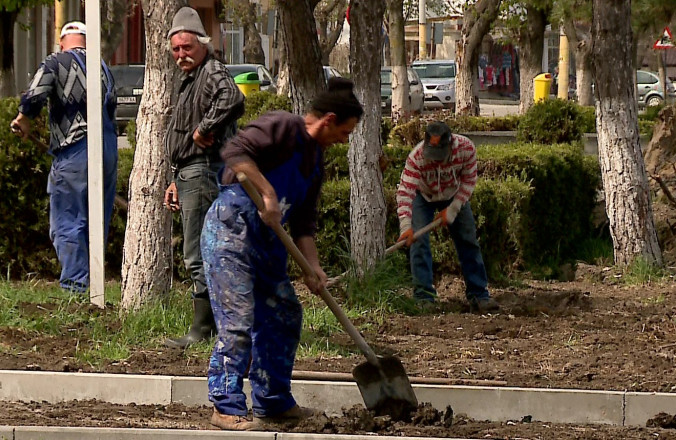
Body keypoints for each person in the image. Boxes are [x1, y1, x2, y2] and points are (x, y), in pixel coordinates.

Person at [201, 77, 363, 431]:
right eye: (345, 132)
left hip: (267, 243)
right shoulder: (283, 126)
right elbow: (234, 153)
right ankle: (225, 405)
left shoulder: (315, 161)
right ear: (329, 119)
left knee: (284, 314)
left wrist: (313, 267)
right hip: (231, 232)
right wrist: (267, 193)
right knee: (239, 321)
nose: (344, 140)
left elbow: (304, 221)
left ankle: (272, 400)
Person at [10, 21, 118, 293]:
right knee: (96, 222)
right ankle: (95, 287)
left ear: (62, 42)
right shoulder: (104, 68)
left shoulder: (56, 62)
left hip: (74, 150)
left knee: (69, 221)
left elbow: (35, 94)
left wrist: (23, 119)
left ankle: (76, 289)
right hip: (107, 150)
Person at [163, 7, 245, 349]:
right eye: (177, 49)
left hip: (203, 170)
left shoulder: (212, 71)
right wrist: (174, 178)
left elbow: (233, 98)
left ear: (202, 45)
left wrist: (204, 129)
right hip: (188, 173)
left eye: (188, 48)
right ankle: (211, 327)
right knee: (197, 250)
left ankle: (205, 329)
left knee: (198, 252)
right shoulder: (190, 78)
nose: (182, 54)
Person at [396, 121, 499, 314]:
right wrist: (405, 225)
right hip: (423, 195)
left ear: (450, 145)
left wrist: (454, 208)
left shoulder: (466, 148)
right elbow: (405, 192)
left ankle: (479, 295)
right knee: (418, 241)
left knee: (468, 240)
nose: (435, 160)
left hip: (453, 194)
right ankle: (424, 297)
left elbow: (469, 180)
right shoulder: (416, 157)